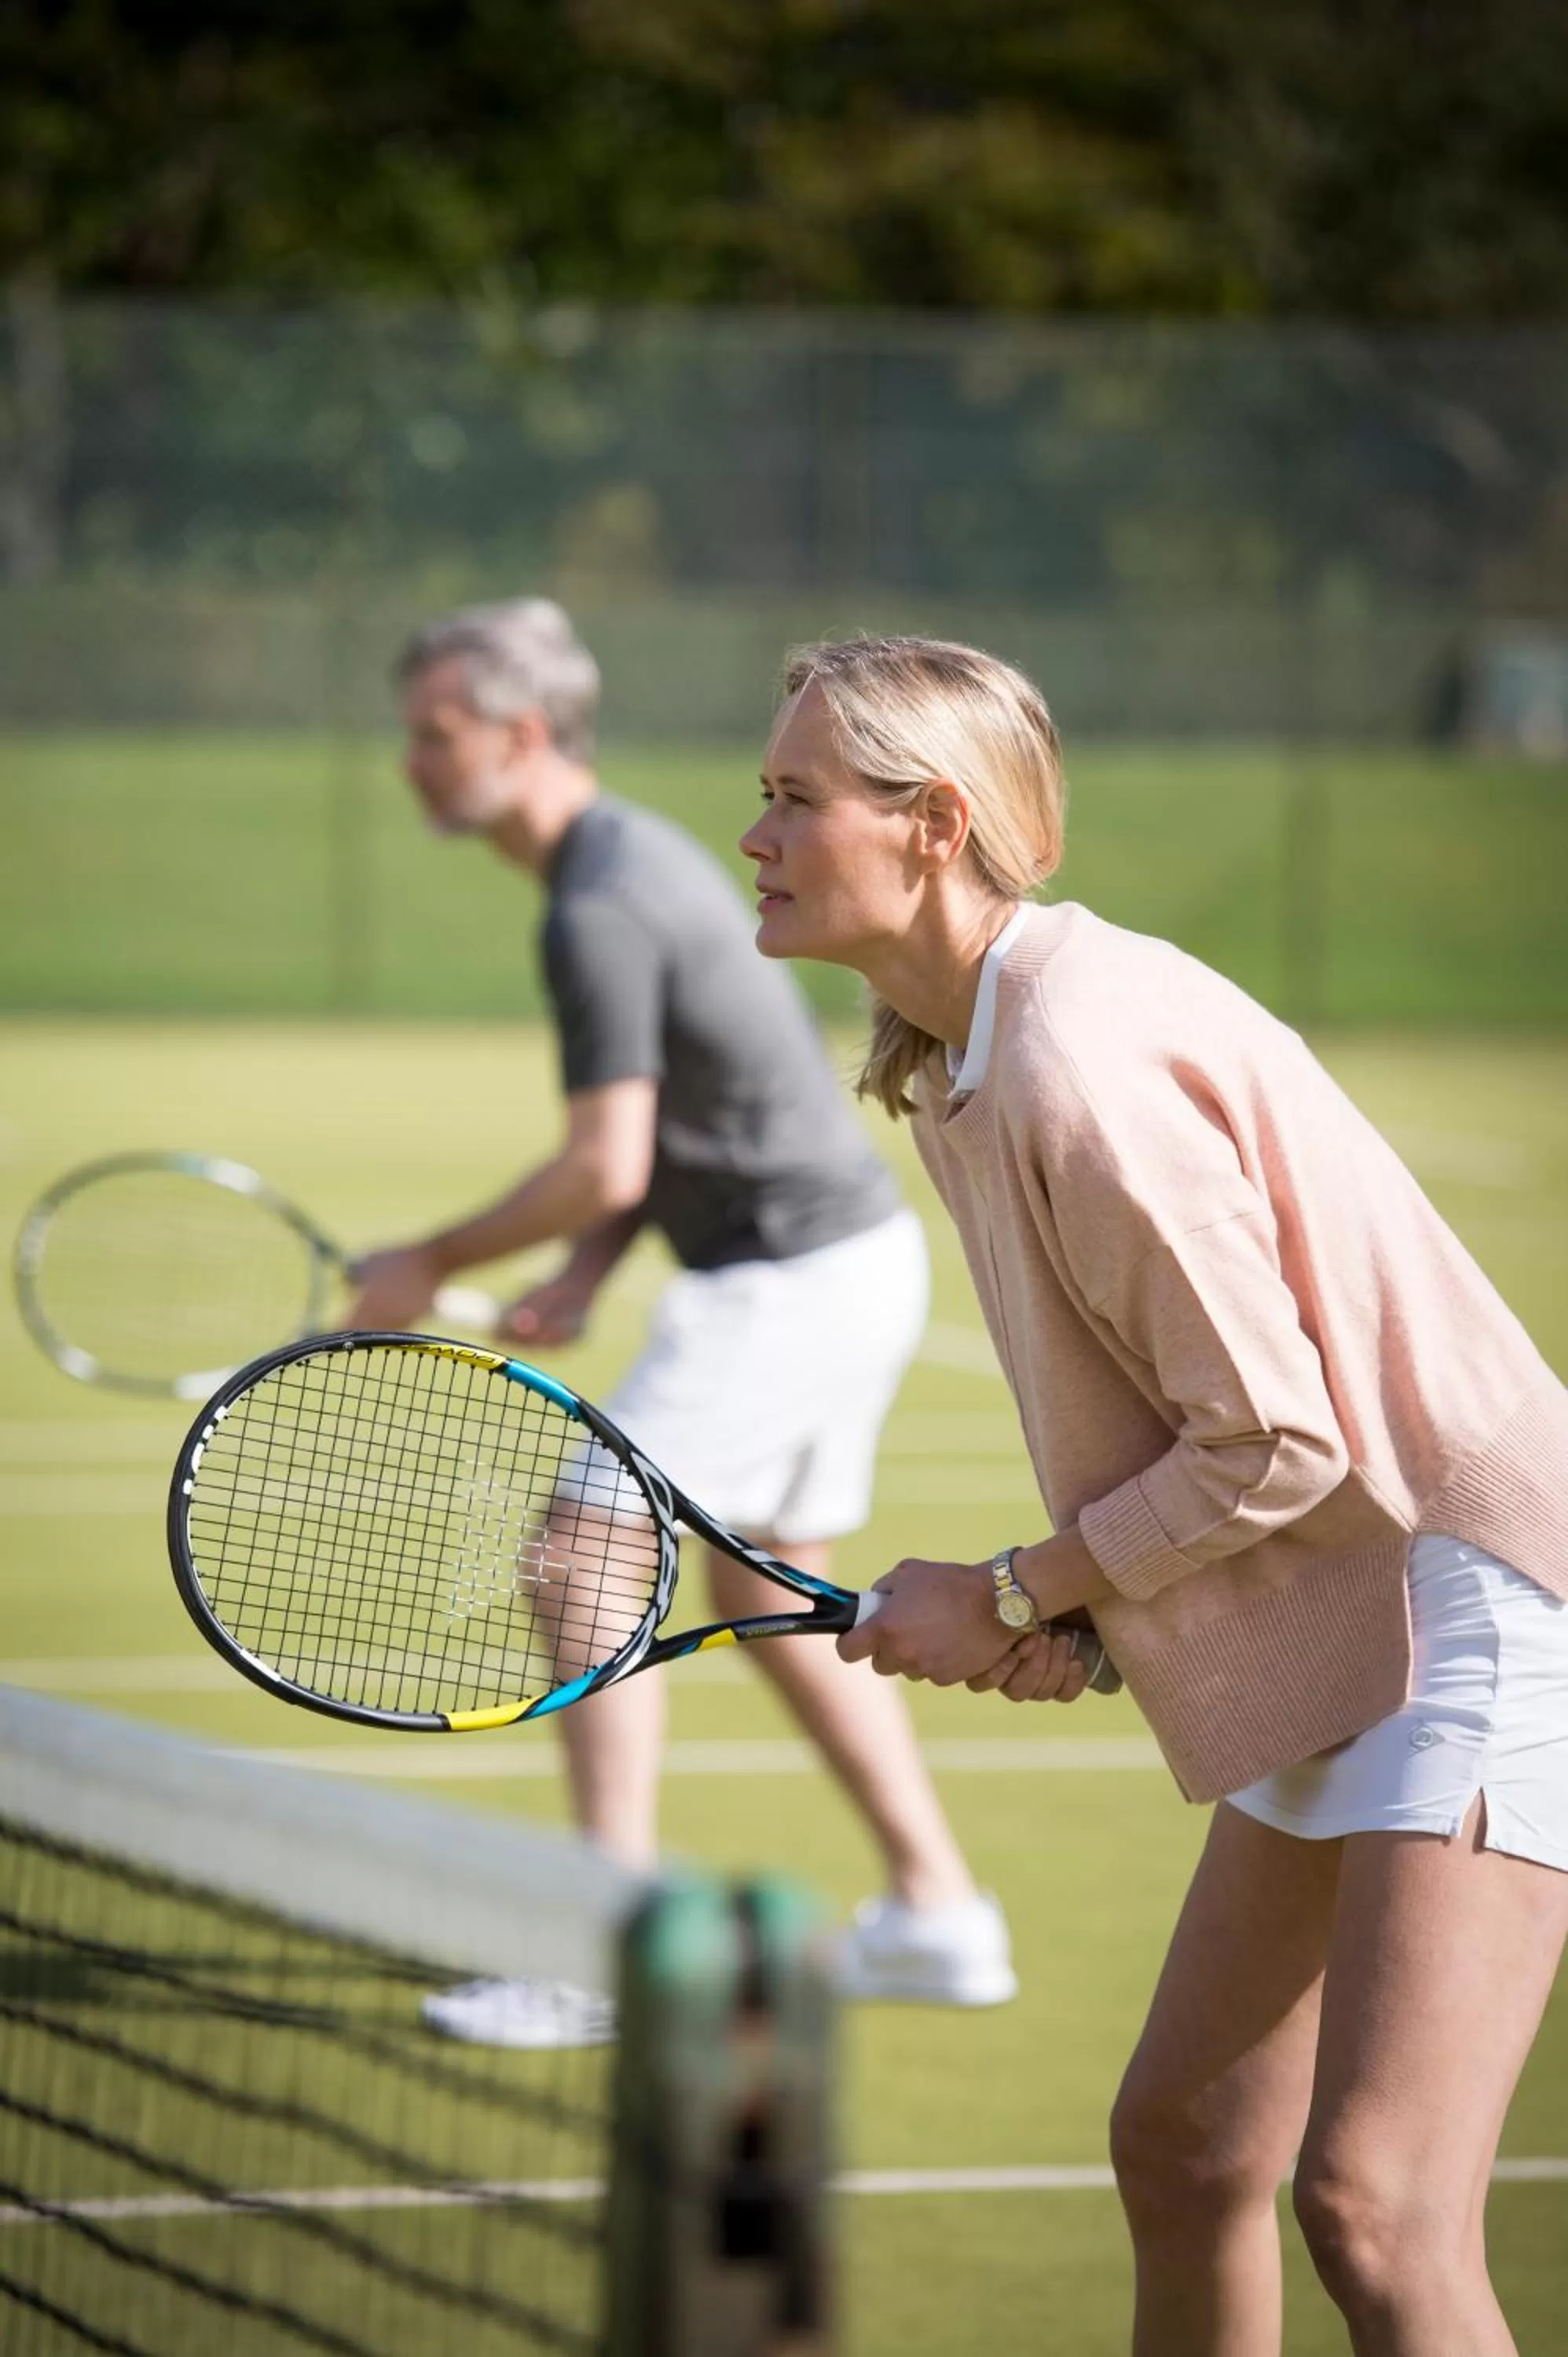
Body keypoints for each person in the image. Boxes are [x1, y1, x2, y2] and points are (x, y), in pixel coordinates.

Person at [742, 631, 1568, 2357]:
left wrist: (1028, 1592)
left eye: (794, 798)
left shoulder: (1073, 1067)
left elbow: (1275, 1439)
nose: (753, 835)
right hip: (1347, 1602)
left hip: (1476, 1598)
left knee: (1373, 2206)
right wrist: (1089, 1617)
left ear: (931, 827)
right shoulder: (965, 1052)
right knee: (1186, 2151)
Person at [346, 598, 1017, 2046]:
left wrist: (426, 1258)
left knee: (582, 1555)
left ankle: (603, 1949)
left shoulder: (600, 899)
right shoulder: (622, 862)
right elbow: (667, 1133)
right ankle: (942, 1912)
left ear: (520, 738)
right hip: (839, 1263)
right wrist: (588, 1272)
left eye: (434, 734)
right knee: (769, 1595)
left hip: (785, 1276)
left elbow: (608, 1157)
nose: (410, 761)